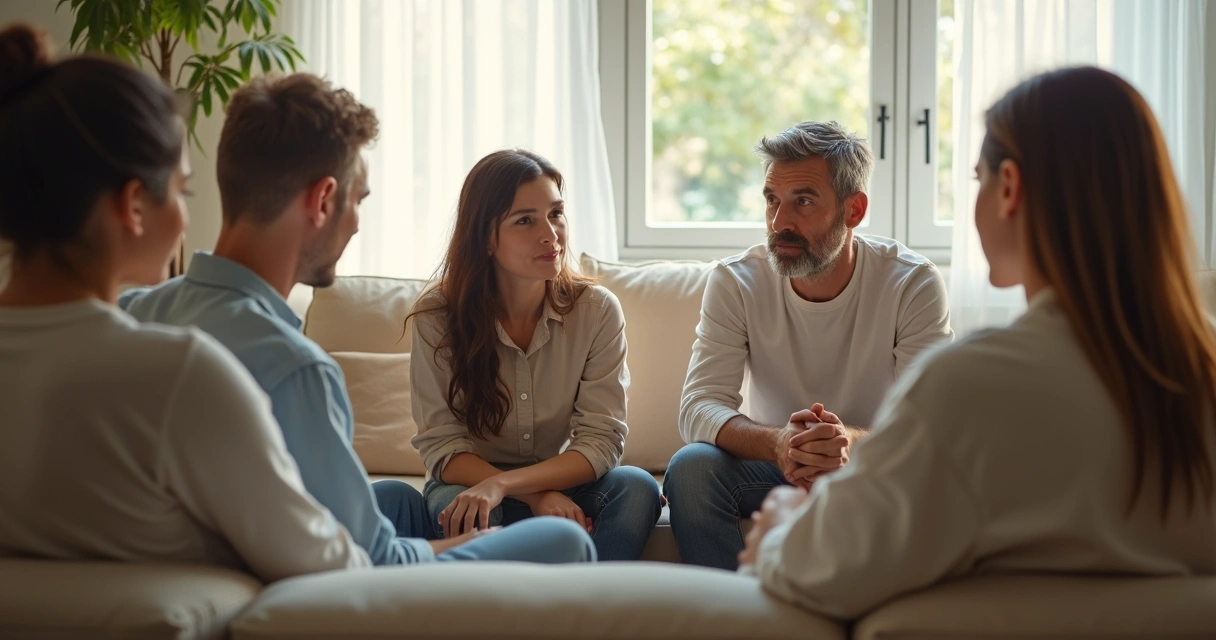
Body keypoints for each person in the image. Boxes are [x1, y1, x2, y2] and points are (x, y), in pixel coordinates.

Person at [739, 66, 1216, 618]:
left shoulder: (971, 384)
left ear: (1009, 188)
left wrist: (778, 529)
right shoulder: (1199, 366)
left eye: (976, 179)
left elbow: (825, 570)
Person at [120, 75, 594, 566]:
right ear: (323, 200)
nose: (357, 222)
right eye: (359, 200)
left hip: (190, 555)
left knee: (388, 497)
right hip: (333, 585)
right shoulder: (295, 368)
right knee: (565, 542)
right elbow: (375, 561)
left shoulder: (133, 314)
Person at [0, 24, 370, 581]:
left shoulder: (127, 333)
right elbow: (340, 568)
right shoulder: (181, 372)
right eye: (181, 190)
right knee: (553, 539)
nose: (183, 219)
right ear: (134, 206)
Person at [663, 120, 953, 570]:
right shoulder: (736, 280)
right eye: (772, 201)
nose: (780, 223)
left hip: (871, 469)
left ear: (853, 210)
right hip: (776, 465)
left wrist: (847, 443)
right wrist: (780, 442)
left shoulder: (911, 283)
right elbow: (698, 406)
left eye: (803, 201)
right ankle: (734, 615)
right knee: (691, 468)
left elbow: (931, 426)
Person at [410, 149, 663, 561]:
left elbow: (601, 441)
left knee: (636, 487)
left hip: (554, 479)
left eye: (556, 214)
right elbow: (442, 447)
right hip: (470, 484)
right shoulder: (436, 318)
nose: (551, 234)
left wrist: (518, 487)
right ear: (485, 237)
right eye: (525, 220)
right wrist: (535, 495)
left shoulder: (596, 310)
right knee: (464, 511)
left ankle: (587, 610)